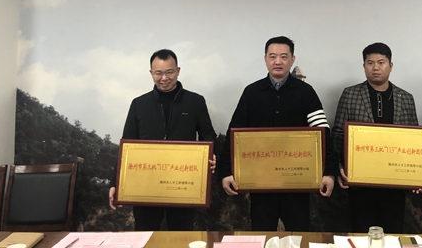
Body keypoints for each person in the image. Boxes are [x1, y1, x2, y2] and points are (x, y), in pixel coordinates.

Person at [219, 36, 339, 231]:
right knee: (262, 234)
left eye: (284, 56)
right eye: (272, 56)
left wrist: (330, 172)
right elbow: (234, 134)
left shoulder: (306, 92)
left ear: (292, 59)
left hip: (297, 182)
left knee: (299, 236)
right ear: (265, 59)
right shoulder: (252, 92)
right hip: (261, 182)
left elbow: (322, 133)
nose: (278, 61)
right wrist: (226, 172)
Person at [108, 49, 217, 231]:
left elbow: (208, 133)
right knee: (145, 233)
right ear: (151, 73)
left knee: (182, 234)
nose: (164, 78)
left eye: (169, 72)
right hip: (146, 182)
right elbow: (127, 146)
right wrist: (115, 182)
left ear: (178, 71)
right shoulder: (139, 104)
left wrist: (211, 155)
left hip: (182, 182)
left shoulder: (195, 101)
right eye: (158, 73)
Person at [331, 42, 418, 233]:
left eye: (381, 62)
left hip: (395, 182)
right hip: (360, 181)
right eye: (370, 63)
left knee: (393, 234)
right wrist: (339, 167)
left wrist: (418, 176)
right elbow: (338, 134)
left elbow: (415, 138)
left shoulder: (406, 98)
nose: (375, 67)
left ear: (390, 66)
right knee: (361, 233)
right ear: (364, 66)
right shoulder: (350, 94)